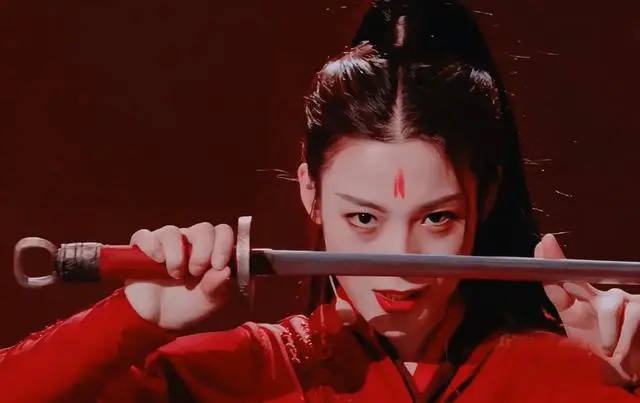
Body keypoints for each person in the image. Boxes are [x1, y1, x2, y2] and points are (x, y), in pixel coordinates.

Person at [2, 1, 640, 401]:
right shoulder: (242, 375)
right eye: (363, 217)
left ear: (488, 196)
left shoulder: (574, 374)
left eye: (437, 217)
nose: (399, 263)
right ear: (310, 192)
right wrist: (136, 314)